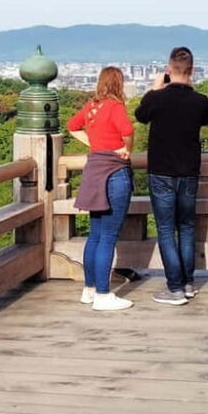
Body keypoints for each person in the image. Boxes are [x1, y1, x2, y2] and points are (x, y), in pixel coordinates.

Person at [135, 47, 208, 306]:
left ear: (168, 70)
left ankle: (175, 288)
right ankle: (188, 282)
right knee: (187, 228)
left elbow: (140, 116)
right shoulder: (200, 101)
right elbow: (207, 119)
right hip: (189, 172)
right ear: (192, 70)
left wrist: (156, 89)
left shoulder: (157, 99)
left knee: (166, 229)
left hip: (161, 172)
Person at [67, 67, 135, 311]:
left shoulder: (91, 107)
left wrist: (93, 142)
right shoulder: (115, 107)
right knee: (108, 236)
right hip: (114, 171)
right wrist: (126, 148)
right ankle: (104, 295)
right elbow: (127, 130)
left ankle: (90, 289)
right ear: (119, 84)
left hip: (93, 171)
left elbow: (72, 126)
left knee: (95, 235)